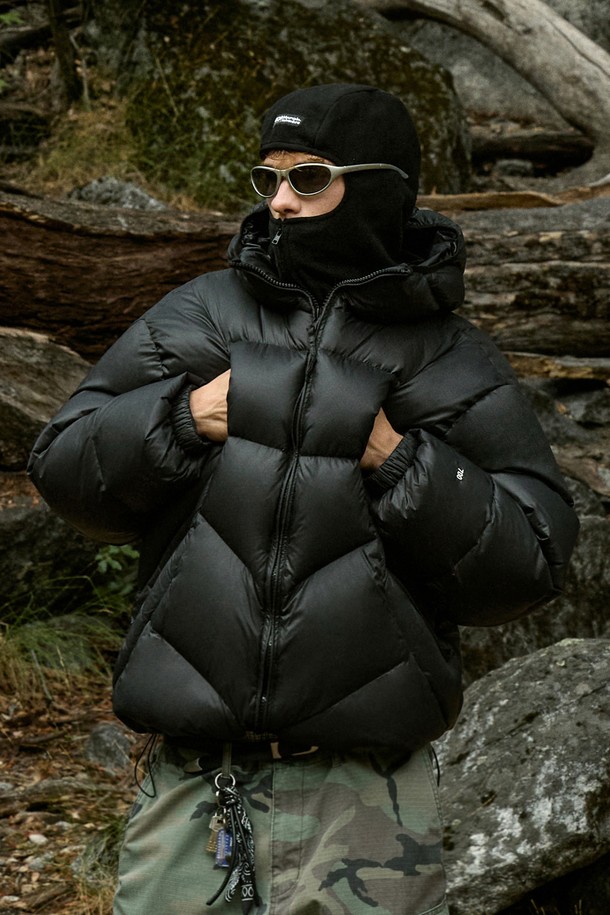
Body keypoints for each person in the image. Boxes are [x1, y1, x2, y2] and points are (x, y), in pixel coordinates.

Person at [28, 83, 579, 915]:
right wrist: (183, 417)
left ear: (379, 187)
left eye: (309, 177)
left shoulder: (449, 358)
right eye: (270, 178)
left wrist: (397, 460)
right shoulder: (202, 316)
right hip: (195, 785)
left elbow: (530, 562)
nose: (280, 202)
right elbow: (63, 467)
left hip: (365, 796)